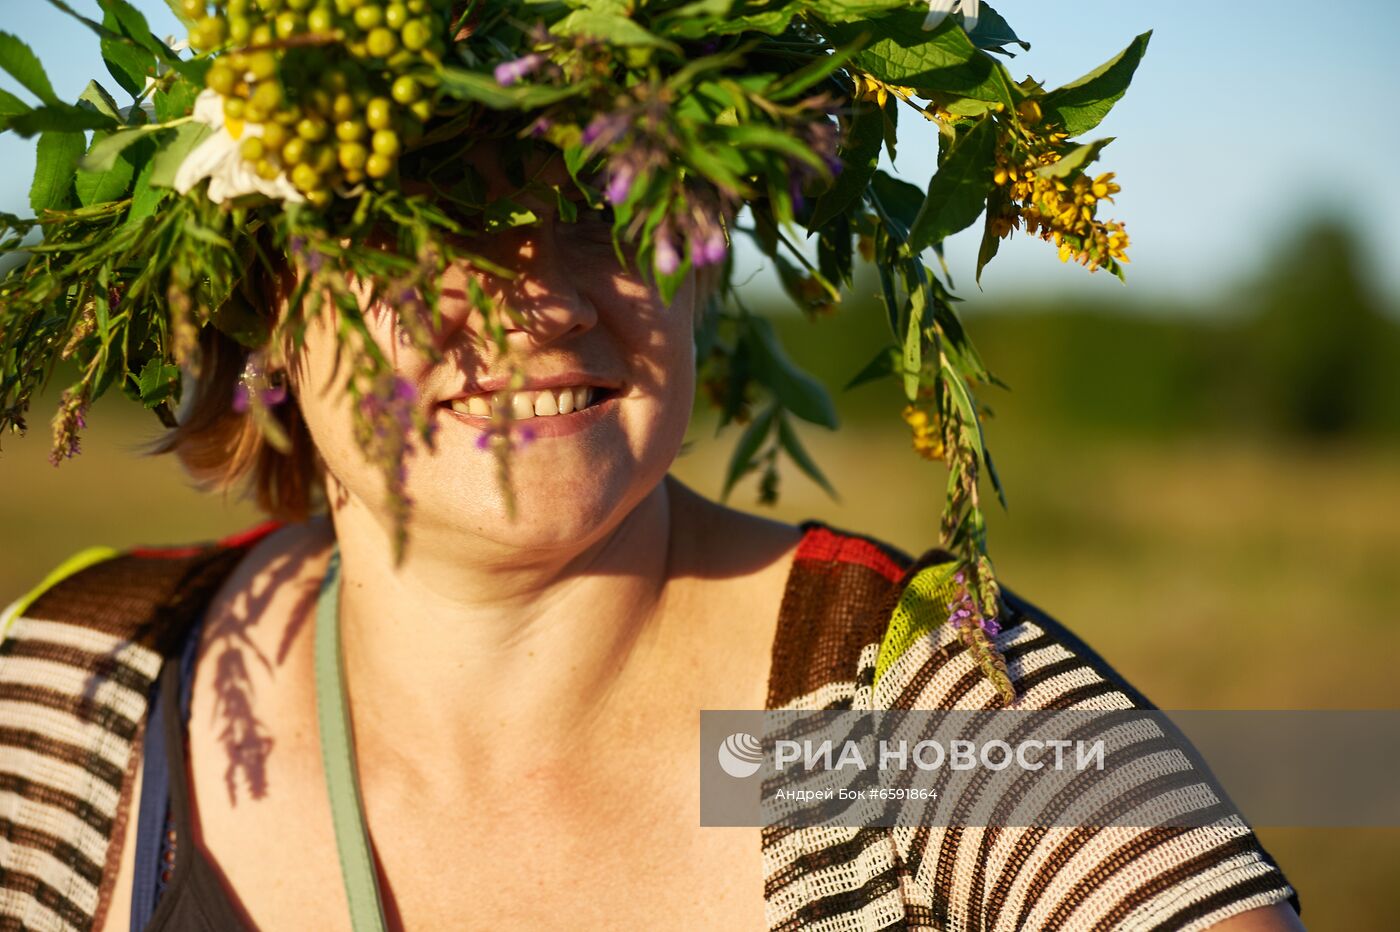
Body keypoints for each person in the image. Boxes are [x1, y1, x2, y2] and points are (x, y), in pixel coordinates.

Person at [0, 2, 1304, 929]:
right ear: (263, 292)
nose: (539, 297)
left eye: (607, 201)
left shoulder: (900, 721)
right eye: (430, 218)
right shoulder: (87, 687)